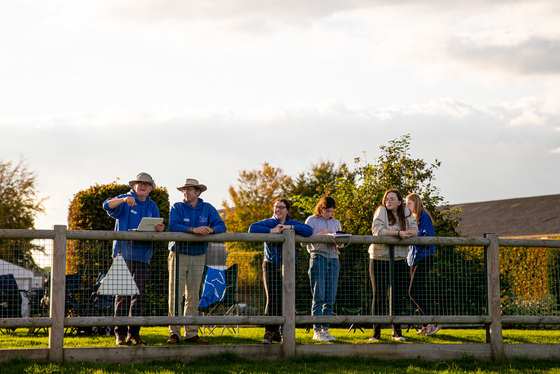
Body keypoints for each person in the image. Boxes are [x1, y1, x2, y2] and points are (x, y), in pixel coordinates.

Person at [103, 172, 165, 346]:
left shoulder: (152, 205)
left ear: (151, 188)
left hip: (143, 255)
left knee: (139, 295)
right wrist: (123, 200)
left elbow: (155, 226)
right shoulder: (126, 198)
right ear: (134, 186)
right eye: (139, 183)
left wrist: (159, 228)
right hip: (124, 253)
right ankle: (120, 335)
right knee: (122, 294)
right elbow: (106, 204)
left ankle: (134, 334)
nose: (142, 186)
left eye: (146, 184)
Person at [166, 178, 227, 345]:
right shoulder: (177, 207)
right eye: (184, 190)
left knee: (193, 296)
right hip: (178, 254)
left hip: (199, 254)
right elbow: (173, 226)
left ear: (198, 192)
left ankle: (191, 333)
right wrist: (193, 230)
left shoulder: (207, 208)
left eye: (189, 190)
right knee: (175, 295)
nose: (186, 192)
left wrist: (212, 229)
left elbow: (222, 226)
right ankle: (174, 333)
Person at [248, 198, 313, 344]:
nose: (278, 210)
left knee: (286, 299)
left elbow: (308, 231)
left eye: (281, 207)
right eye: (276, 207)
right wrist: (272, 231)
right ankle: (269, 332)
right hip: (270, 265)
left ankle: (285, 334)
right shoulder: (269, 222)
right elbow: (252, 229)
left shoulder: (293, 223)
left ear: (287, 210)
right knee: (272, 299)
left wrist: (289, 228)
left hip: (288, 267)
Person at [368, 188, 417, 342]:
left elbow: (414, 230)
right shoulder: (381, 210)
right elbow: (377, 230)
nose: (388, 201)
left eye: (392, 199)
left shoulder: (406, 213)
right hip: (379, 259)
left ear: (399, 202)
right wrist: (398, 234)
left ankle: (397, 332)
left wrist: (408, 233)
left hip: (399, 260)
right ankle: (376, 334)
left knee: (397, 297)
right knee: (379, 295)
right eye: (387, 199)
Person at [305, 196, 341, 342]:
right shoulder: (311, 220)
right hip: (318, 257)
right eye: (327, 211)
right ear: (321, 208)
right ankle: (317, 330)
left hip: (334, 259)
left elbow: (340, 240)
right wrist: (321, 235)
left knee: (330, 296)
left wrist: (340, 241)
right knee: (318, 295)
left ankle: (325, 330)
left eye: (332, 211)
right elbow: (303, 241)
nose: (329, 214)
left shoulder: (336, 222)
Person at [405, 193, 438, 336]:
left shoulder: (424, 217)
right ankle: (426, 324)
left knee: (413, 291)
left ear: (416, 203)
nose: (407, 206)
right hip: (414, 257)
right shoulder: (412, 218)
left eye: (409, 203)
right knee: (418, 292)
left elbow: (428, 236)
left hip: (424, 256)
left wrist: (413, 235)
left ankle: (432, 321)